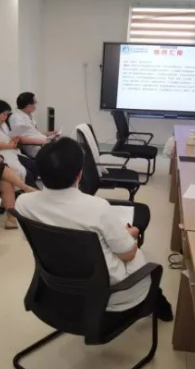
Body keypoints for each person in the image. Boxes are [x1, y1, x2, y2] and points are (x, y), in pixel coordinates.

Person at [15, 137, 173, 321]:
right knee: (137, 253)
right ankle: (156, 303)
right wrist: (130, 235)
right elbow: (127, 255)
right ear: (79, 174)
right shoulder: (98, 208)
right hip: (108, 293)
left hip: (56, 285)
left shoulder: (23, 203)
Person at [0, 99, 39, 187]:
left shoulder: (2, 123)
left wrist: (13, 139)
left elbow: (6, 137)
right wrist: (9, 145)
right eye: (4, 114)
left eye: (7, 114)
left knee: (33, 166)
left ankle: (29, 190)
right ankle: (30, 191)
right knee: (25, 173)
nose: (6, 117)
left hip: (11, 152)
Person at [8, 92, 58, 158]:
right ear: (29, 106)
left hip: (42, 144)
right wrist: (44, 141)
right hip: (35, 149)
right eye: (35, 103)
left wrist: (51, 133)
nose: (36, 105)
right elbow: (20, 139)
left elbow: (33, 132)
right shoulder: (16, 118)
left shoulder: (27, 115)